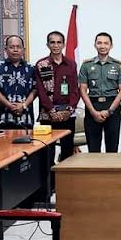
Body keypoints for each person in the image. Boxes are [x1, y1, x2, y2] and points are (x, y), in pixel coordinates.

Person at [34, 31, 80, 162]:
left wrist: (69, 110)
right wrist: (52, 111)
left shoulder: (71, 64)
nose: (56, 45)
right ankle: (48, 181)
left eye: (59, 42)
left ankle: (65, 180)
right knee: (48, 151)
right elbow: (40, 91)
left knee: (67, 150)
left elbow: (74, 89)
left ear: (64, 44)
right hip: (47, 114)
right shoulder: (41, 64)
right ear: (47, 44)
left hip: (67, 113)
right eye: (52, 42)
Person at [78, 32, 121, 153]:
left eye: (106, 43)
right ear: (95, 45)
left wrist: (109, 111)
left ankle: (111, 172)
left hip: (112, 106)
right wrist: (93, 112)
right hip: (92, 106)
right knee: (93, 149)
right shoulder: (86, 66)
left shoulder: (118, 65)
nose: (102, 46)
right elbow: (82, 90)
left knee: (112, 148)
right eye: (99, 43)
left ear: (111, 46)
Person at [0, 35, 36, 130]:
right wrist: (9, 105)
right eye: (11, 47)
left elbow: (35, 90)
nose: (15, 50)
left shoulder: (31, 68)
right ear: (6, 50)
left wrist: (23, 105)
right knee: (5, 144)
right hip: (3, 116)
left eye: (18, 47)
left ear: (24, 49)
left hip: (26, 117)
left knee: (26, 144)